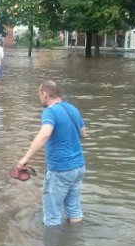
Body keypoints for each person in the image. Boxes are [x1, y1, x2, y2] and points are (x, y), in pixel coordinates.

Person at [17, 79, 87, 226]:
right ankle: (74, 243)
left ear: (45, 94)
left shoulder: (50, 112)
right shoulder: (72, 108)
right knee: (74, 210)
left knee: (52, 215)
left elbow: (45, 134)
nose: (39, 98)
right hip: (78, 167)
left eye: (39, 94)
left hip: (61, 169)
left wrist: (25, 158)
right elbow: (84, 133)